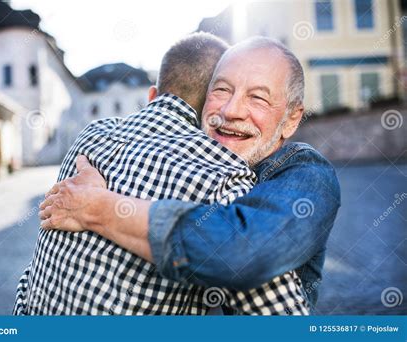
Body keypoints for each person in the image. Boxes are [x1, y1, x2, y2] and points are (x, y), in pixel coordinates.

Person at [39, 36, 341, 311]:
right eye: (222, 89)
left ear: (291, 119)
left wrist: (96, 207)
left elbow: (241, 251)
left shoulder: (307, 173)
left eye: (258, 98)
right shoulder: (199, 165)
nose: (231, 110)